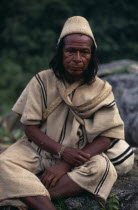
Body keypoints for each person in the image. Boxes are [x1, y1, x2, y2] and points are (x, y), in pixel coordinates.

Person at [0, 16, 134, 210]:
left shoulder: (102, 89)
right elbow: (30, 128)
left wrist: (64, 163)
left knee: (104, 169)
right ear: (60, 52)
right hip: (36, 149)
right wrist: (61, 152)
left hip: (78, 154)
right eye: (71, 51)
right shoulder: (41, 81)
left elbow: (107, 137)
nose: (77, 58)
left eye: (84, 52)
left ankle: (30, 197)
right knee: (3, 164)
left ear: (91, 56)